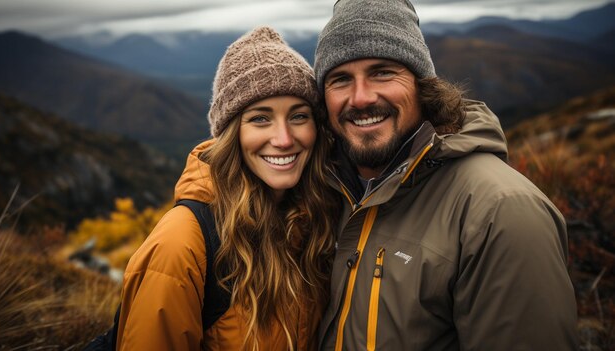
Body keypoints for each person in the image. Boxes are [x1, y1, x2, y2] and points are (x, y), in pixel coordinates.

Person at [312, 0, 578, 350]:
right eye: (340, 79)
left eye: (383, 72)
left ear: (423, 86)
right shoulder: (324, 192)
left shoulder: (500, 213)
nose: (360, 98)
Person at [115, 26, 340, 350]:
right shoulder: (182, 244)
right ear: (231, 133)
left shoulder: (315, 221)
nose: (284, 139)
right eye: (260, 119)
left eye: (299, 116)